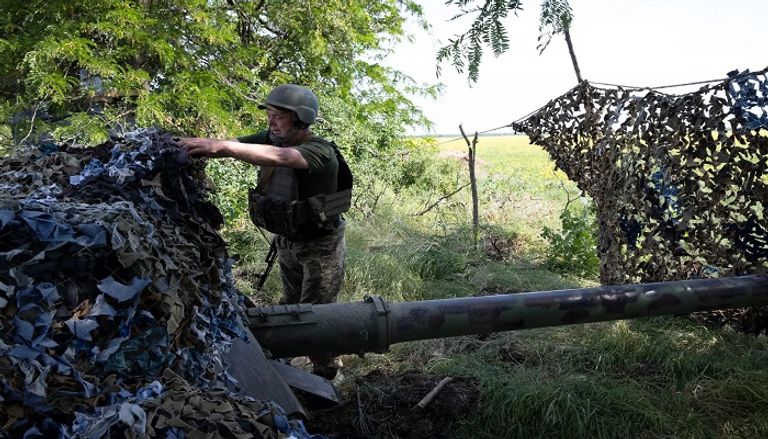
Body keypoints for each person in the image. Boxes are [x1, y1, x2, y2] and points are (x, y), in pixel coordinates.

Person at [178, 84, 351, 379]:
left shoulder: (320, 150)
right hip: (288, 240)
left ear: (300, 120)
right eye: (269, 115)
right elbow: (230, 146)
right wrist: (187, 146)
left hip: (321, 245)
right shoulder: (273, 139)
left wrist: (224, 147)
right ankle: (287, 360)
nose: (271, 123)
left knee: (316, 313)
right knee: (291, 302)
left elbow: (281, 158)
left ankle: (325, 373)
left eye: (279, 117)